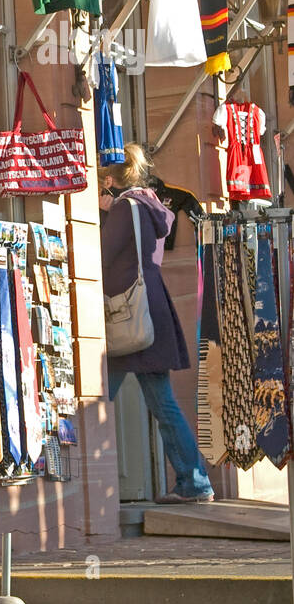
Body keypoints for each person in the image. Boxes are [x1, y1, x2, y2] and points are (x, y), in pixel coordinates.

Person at [99, 143, 214, 503]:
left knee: (98, 396)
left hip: (127, 318)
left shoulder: (123, 210)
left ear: (108, 179)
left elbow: (100, 257)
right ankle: (194, 482)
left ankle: (84, 484)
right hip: (150, 314)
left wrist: (102, 215)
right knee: (162, 403)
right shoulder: (152, 207)